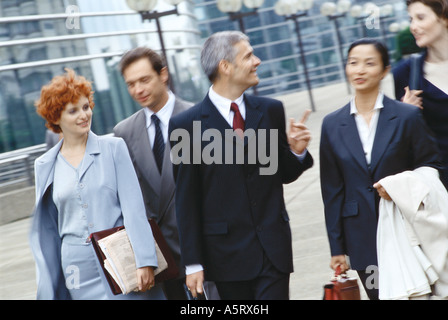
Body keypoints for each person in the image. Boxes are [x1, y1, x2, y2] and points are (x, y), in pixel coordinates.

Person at [168, 31, 314, 300]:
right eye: (248, 56)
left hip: (273, 251)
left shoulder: (270, 110)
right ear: (225, 66)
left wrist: (296, 152)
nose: (257, 61)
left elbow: (280, 173)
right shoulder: (185, 127)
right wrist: (193, 263)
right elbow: (186, 200)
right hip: (226, 258)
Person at [319, 38, 441, 300]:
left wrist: (399, 185)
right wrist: (336, 248)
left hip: (407, 231)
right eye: (353, 63)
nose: (360, 70)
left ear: (385, 70)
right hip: (362, 239)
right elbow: (332, 191)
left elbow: (431, 165)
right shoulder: (331, 125)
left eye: (369, 63)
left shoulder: (406, 116)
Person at [29, 68, 166, 300]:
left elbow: (134, 209)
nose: (84, 115)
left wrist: (145, 260)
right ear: (55, 118)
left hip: (119, 257)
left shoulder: (114, 148)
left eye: (86, 107)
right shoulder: (44, 164)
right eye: (73, 111)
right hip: (75, 268)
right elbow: (48, 226)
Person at [113, 47, 210, 299]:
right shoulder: (124, 132)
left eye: (144, 80)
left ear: (163, 75)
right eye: (131, 84)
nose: (138, 90)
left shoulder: (199, 118)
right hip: (159, 260)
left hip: (202, 251)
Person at [392, 0, 448, 191]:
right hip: (441, 188)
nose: (413, 27)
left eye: (420, 18)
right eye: (411, 19)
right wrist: (405, 114)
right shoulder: (405, 74)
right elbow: (401, 142)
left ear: (444, 18)